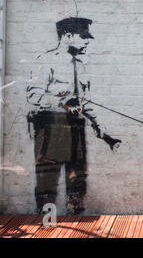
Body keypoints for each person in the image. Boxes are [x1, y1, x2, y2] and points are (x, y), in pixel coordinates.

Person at [26, 17, 121, 214]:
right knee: (47, 175)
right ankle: (45, 221)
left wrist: (101, 129)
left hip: (75, 126)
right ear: (67, 36)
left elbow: (86, 103)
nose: (88, 41)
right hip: (50, 124)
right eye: (83, 36)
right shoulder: (46, 61)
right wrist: (62, 102)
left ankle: (76, 216)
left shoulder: (81, 66)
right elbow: (34, 94)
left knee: (77, 175)